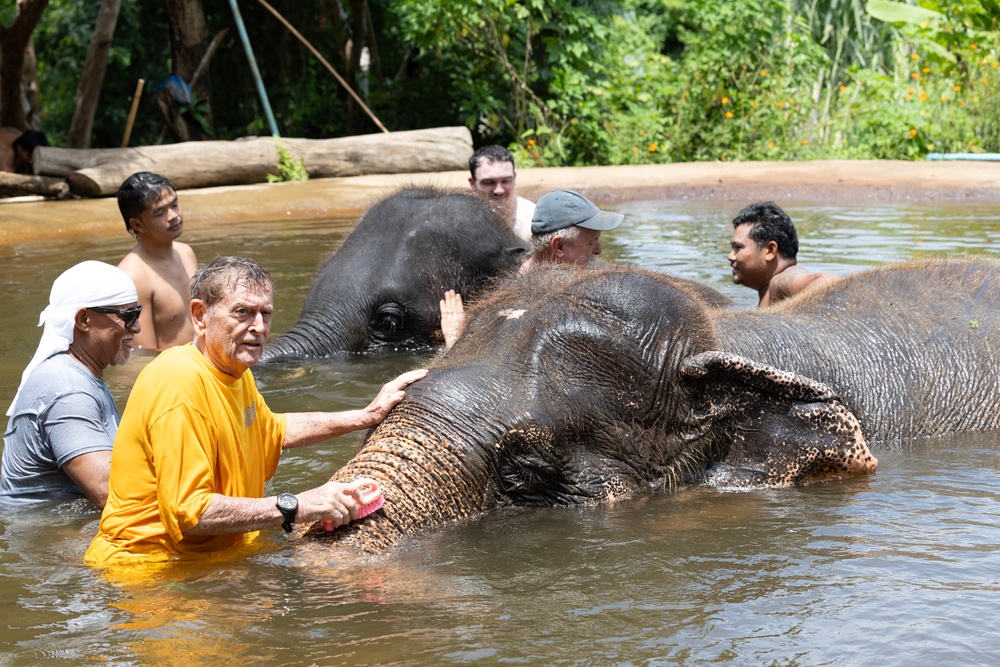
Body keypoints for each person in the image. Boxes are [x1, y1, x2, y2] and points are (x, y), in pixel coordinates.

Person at [85, 256, 427, 565]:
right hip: (151, 575)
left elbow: (271, 431)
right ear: (200, 316)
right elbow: (191, 513)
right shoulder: (180, 383)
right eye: (242, 312)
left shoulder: (234, 371)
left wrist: (365, 416)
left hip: (211, 561)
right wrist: (301, 505)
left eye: (265, 314)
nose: (259, 327)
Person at [1, 261, 141, 508]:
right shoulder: (68, 389)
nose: (137, 327)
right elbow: (109, 492)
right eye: (128, 316)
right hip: (48, 535)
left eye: (137, 313)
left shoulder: (80, 373)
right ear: (84, 319)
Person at [440, 190, 623, 349]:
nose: (599, 250)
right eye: (591, 243)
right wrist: (455, 341)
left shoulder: (585, 275)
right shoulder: (507, 307)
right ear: (558, 246)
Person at [117, 172, 198, 351]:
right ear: (137, 225)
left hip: (204, 363)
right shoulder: (133, 277)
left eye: (175, 205)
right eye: (159, 213)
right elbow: (140, 354)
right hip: (174, 373)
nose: (173, 216)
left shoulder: (185, 252)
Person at [727, 201, 839, 308]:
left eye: (738, 247)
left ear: (770, 250)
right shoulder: (770, 294)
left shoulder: (780, 283)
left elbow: (828, 283)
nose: (730, 256)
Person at [468, 145, 535, 242]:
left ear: (514, 178)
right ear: (472, 183)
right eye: (489, 182)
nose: (499, 190)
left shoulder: (532, 219)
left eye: (506, 181)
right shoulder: (462, 219)